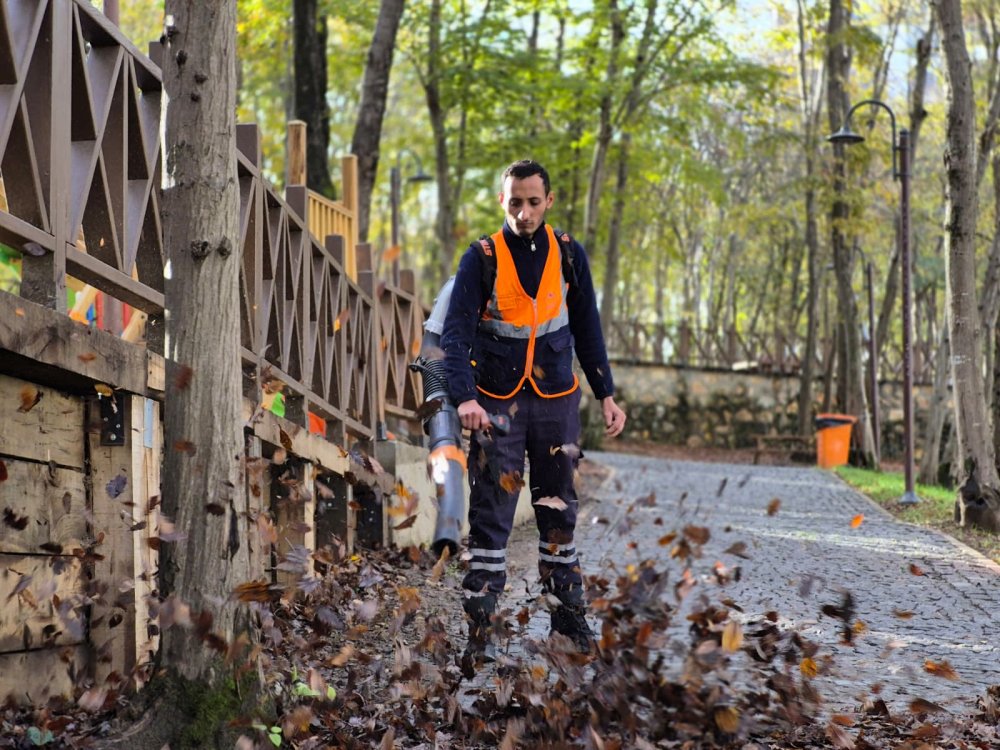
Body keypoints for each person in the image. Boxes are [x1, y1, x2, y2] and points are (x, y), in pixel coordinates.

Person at [440, 159, 626, 667]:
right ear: (502, 201)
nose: (523, 211)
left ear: (548, 202)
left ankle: (568, 618)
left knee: (558, 510)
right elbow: (455, 336)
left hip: (556, 402)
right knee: (491, 518)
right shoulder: (479, 257)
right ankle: (480, 628)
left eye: (533, 201)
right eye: (514, 201)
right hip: (494, 404)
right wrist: (465, 399)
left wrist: (606, 392)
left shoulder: (568, 254)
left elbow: (588, 326)